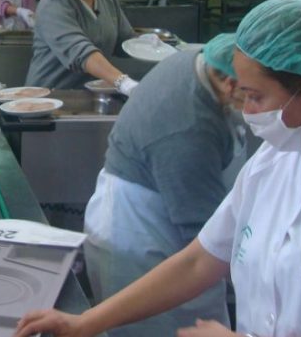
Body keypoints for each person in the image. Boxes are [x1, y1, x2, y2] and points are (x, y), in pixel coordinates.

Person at [15, 0, 301, 337]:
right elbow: (200, 260)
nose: (248, 111)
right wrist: (86, 323)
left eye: (256, 97)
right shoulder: (276, 162)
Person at [83, 33, 252, 337]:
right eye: (256, 96)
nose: (261, 108)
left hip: (161, 223)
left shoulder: (201, 56)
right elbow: (206, 241)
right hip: (145, 243)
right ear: (230, 84)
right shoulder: (187, 130)